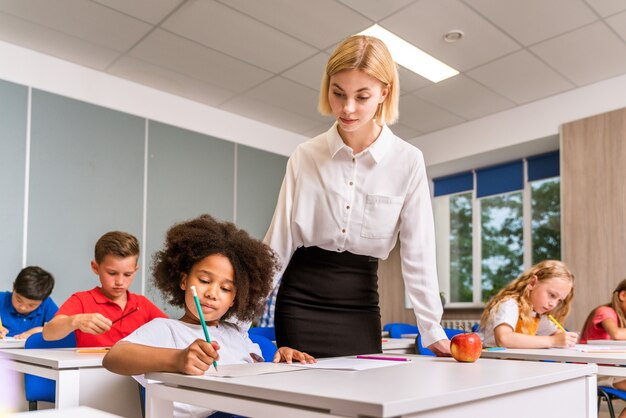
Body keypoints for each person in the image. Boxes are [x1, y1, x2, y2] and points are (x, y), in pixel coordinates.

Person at [261, 34, 449, 358]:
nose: (347, 109)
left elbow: (418, 251)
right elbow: (278, 243)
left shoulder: (407, 160)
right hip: (300, 301)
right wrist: (235, 318)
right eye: (338, 94)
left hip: (360, 305)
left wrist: (431, 329)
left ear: (384, 92)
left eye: (362, 97)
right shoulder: (306, 156)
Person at [103, 215, 314, 418]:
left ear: (235, 299)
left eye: (225, 288)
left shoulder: (237, 335)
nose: (212, 293)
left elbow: (259, 375)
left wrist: (282, 358)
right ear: (184, 281)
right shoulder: (165, 329)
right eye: (204, 280)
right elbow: (114, 357)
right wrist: (178, 359)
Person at [42, 231, 167, 346]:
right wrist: (75, 321)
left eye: (127, 274)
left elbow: (171, 331)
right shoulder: (82, 300)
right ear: (96, 267)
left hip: (131, 369)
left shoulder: (142, 304)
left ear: (135, 270)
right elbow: (48, 333)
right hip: (91, 369)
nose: (120, 282)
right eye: (112, 273)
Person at [478, 260, 578, 348]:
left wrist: (566, 338)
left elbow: (556, 334)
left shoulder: (535, 316)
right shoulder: (509, 305)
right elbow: (504, 338)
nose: (554, 304)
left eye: (559, 300)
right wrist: (552, 341)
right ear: (533, 283)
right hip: (495, 365)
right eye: (552, 295)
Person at [580, 279, 626, 407]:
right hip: (593, 371)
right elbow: (616, 334)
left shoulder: (621, 319)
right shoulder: (605, 311)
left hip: (610, 370)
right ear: (623, 295)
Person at [0, 266, 58, 339]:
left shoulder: (46, 305)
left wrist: (38, 331)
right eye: (19, 300)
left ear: (43, 300)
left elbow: (60, 328)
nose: (23, 308)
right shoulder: (1, 299)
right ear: (13, 287)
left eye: (31, 305)